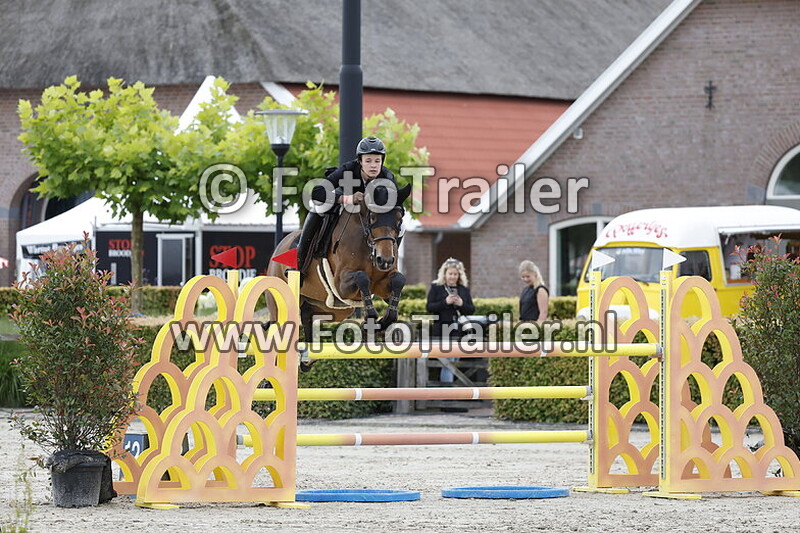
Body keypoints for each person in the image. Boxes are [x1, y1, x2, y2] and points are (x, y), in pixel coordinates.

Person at [295, 136, 397, 276]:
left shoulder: (387, 177)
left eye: (377, 161)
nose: (373, 165)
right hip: (344, 199)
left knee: (400, 225)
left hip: (371, 215)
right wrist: (347, 198)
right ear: (360, 161)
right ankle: (300, 264)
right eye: (368, 161)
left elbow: (394, 206)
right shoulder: (347, 169)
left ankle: (390, 262)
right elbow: (317, 193)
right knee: (319, 207)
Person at [426, 258, 475, 382]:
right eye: (450, 274)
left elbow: (471, 310)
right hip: (443, 331)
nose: (452, 277)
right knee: (448, 362)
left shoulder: (463, 289)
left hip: (459, 331)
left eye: (455, 274)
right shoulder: (436, 287)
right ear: (445, 274)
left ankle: (452, 391)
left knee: (455, 362)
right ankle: (447, 393)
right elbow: (429, 307)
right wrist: (445, 302)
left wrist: (461, 304)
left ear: (459, 275)